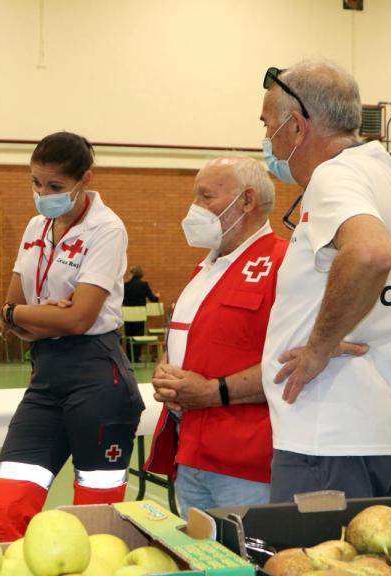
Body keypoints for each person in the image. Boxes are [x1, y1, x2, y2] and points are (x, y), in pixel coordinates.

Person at [258, 61, 391, 501]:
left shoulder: (336, 176)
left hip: (329, 437)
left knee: (314, 568)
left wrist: (319, 347)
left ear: (296, 127)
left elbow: (371, 252)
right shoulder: (384, 174)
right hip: (385, 432)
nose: (267, 139)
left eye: (268, 125)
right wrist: (379, 316)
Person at [0, 131, 145, 541]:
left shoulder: (107, 229)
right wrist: (32, 315)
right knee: (2, 510)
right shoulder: (37, 226)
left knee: (96, 522)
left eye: (54, 186)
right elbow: (9, 312)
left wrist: (26, 315)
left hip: (96, 376)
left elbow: (79, 320)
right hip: (45, 378)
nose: (42, 193)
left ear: (84, 179)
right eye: (36, 182)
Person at [143, 157, 293, 514]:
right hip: (191, 450)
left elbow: (296, 359)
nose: (194, 208)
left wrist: (213, 392)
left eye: (205, 197)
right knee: (205, 562)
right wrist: (166, 369)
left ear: (246, 200)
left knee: (247, 563)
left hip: (246, 461)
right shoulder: (206, 267)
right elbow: (190, 337)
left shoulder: (284, 262)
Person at [123, 265, 160, 361]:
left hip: (128, 317)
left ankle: (130, 358)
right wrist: (157, 296)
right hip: (140, 317)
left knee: (129, 337)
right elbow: (153, 299)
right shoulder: (144, 285)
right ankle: (136, 357)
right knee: (139, 335)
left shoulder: (125, 286)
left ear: (132, 273)